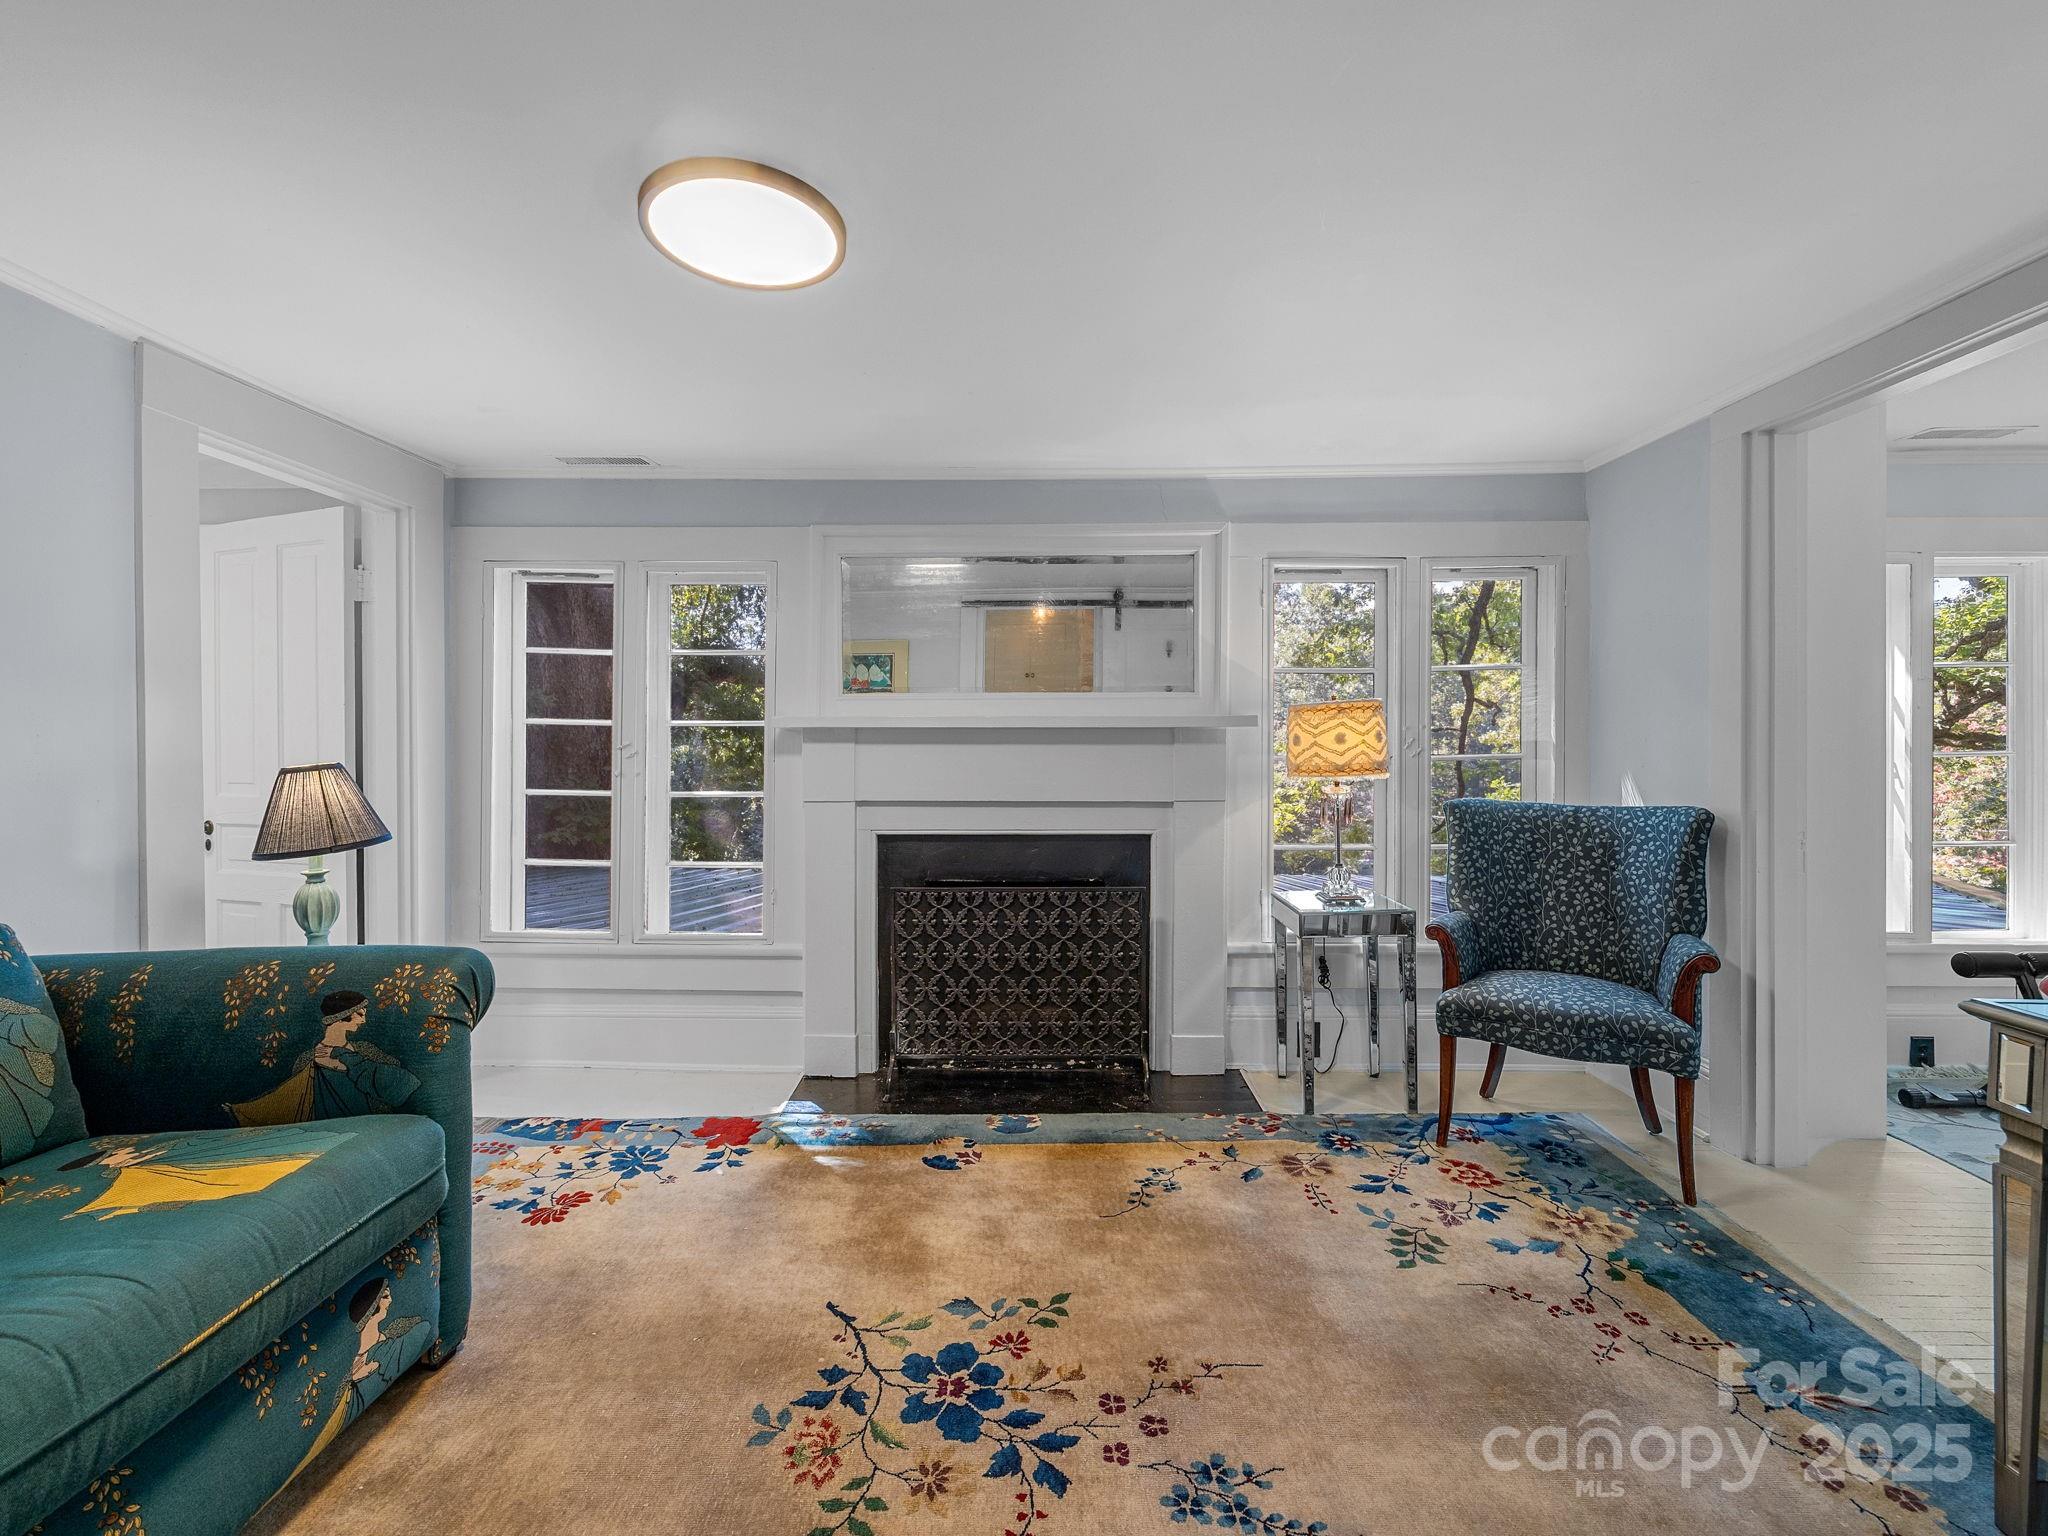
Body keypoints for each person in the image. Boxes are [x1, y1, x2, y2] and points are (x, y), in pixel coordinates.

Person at [227, 991, 420, 1127]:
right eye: (359, 1014)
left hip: (371, 1128)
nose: (363, 1020)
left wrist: (345, 1065)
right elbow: (291, 1098)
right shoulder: (307, 1059)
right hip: (325, 1131)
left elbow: (396, 1079)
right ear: (341, 1016)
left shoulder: (364, 1049)